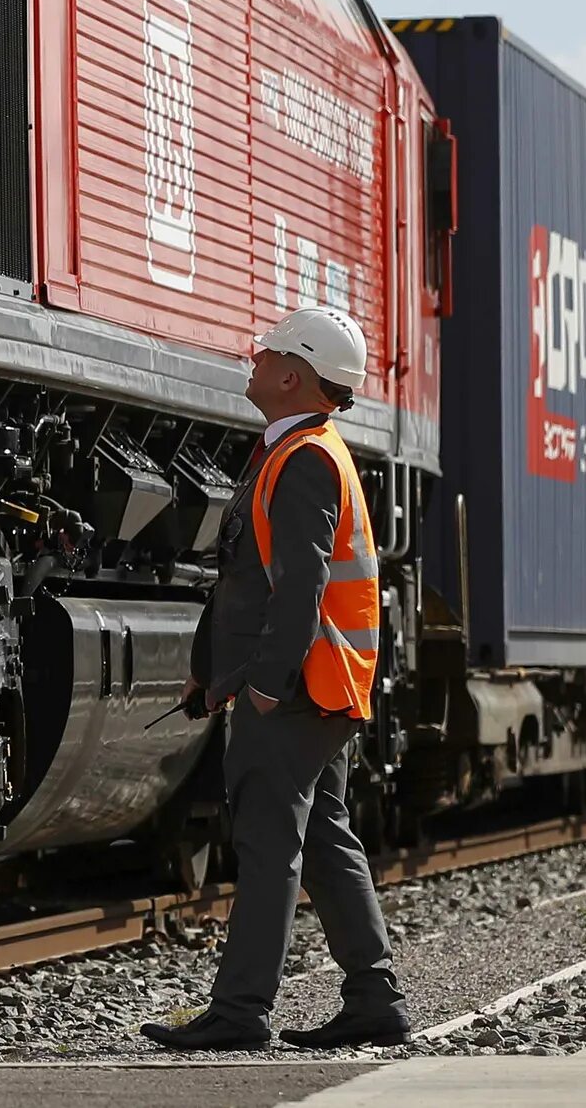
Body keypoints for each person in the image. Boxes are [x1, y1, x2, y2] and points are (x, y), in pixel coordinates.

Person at [141, 306, 409, 1052]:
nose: (252, 360)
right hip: (314, 686)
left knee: (268, 846)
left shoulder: (306, 460)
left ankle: (240, 1011)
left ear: (292, 374)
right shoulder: (299, 451)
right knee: (322, 839)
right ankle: (373, 997)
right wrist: (210, 673)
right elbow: (247, 579)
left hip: (298, 690)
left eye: (265, 354)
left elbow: (299, 586)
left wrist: (262, 684)